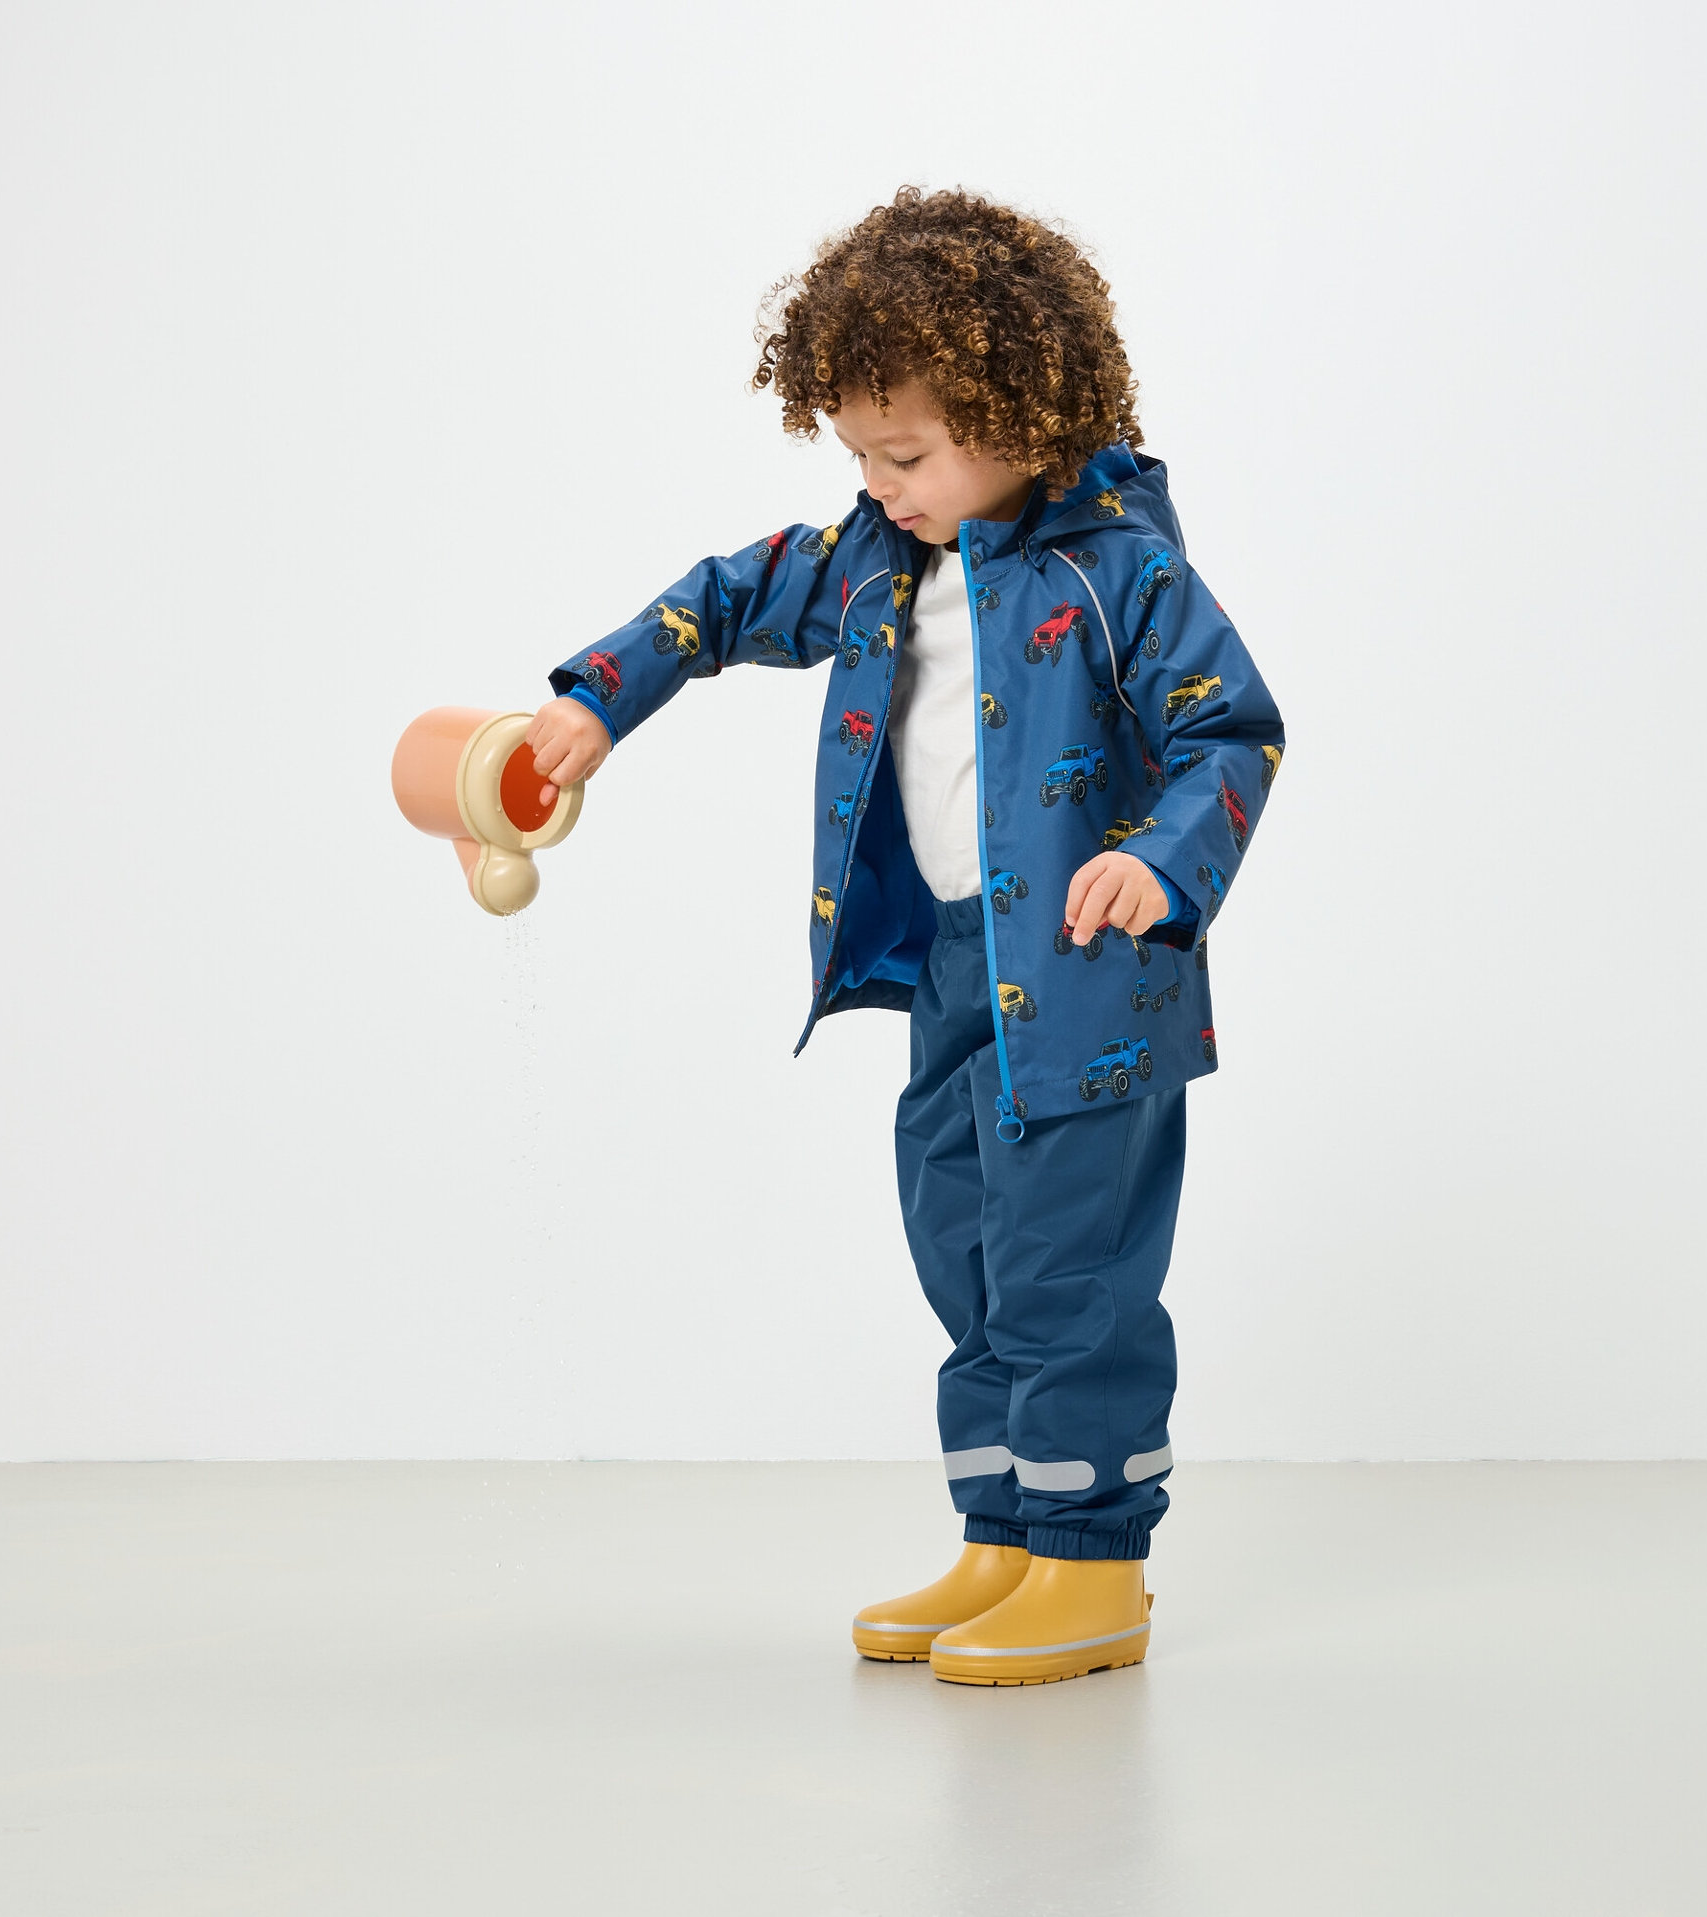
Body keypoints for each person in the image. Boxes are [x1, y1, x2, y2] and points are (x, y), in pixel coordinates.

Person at [525, 187, 1284, 1686]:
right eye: (860, 455)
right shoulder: (879, 557)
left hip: (1085, 987)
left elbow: (1233, 733)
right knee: (963, 1235)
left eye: (908, 454)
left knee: (1071, 1264)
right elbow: (722, 599)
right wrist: (591, 702)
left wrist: (1158, 863)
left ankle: (1093, 1561)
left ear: (1024, 413)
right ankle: (1002, 1527)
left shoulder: (1117, 568)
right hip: (948, 965)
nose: (879, 485)